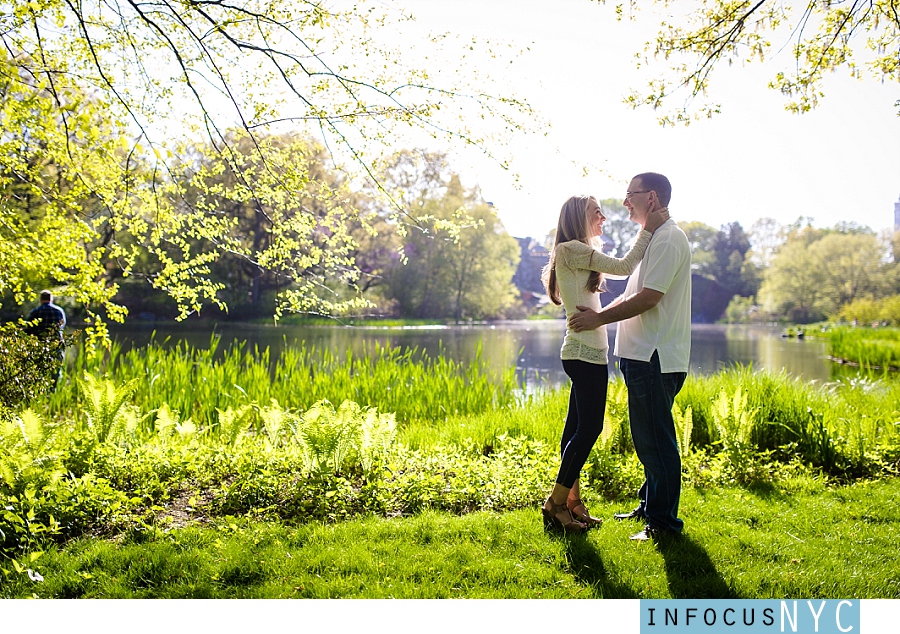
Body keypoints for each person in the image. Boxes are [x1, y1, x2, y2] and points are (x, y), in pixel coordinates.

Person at [568, 173, 691, 541]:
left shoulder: (668, 239)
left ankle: (664, 525)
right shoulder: (653, 239)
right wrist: (600, 314)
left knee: (656, 441)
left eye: (629, 195)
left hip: (655, 357)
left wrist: (598, 319)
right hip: (641, 355)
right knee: (647, 438)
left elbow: (649, 299)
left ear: (650, 198)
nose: (624, 203)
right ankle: (650, 506)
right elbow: (633, 293)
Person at [539, 194, 668, 534]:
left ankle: (571, 502)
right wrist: (649, 230)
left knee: (574, 431)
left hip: (585, 354)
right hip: (584, 355)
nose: (603, 218)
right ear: (578, 216)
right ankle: (554, 503)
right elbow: (625, 267)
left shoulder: (574, 253)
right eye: (596, 212)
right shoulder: (572, 249)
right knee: (590, 429)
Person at [26, 290, 67, 383]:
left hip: (39, 345)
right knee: (55, 370)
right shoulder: (59, 311)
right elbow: (62, 326)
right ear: (51, 299)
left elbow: (28, 329)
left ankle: (39, 392)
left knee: (38, 370)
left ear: (41, 300)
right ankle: (53, 391)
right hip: (56, 344)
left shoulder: (35, 312)